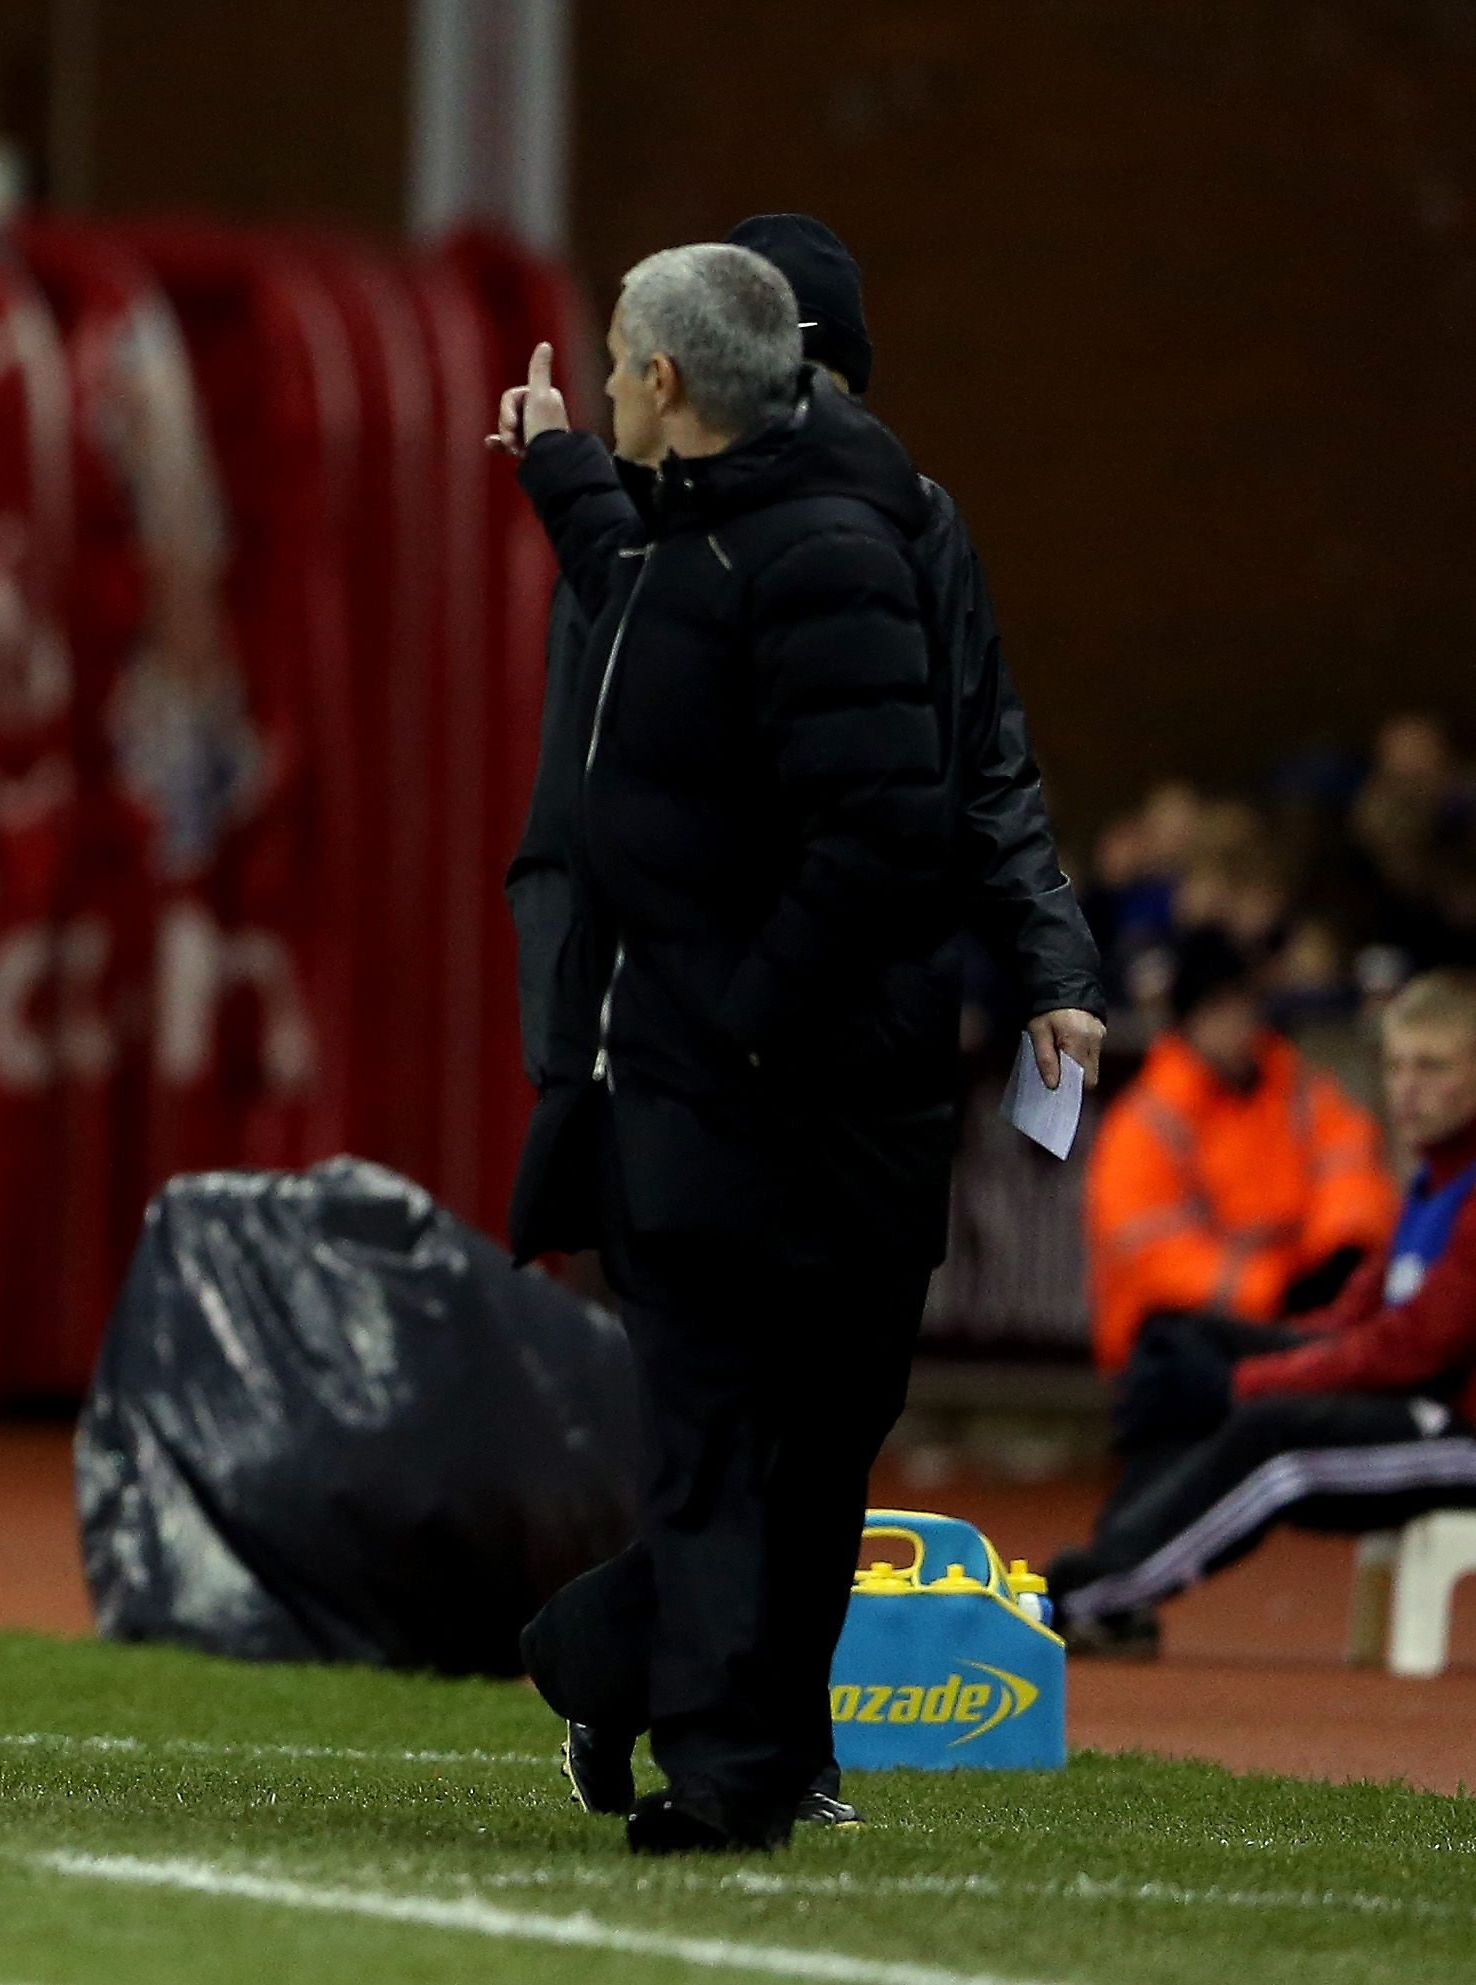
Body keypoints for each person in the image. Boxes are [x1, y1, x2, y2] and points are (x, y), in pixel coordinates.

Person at [487, 243, 955, 1853]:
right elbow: (640, 584)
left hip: (780, 1096)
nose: (612, 380)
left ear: (669, 382)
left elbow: (883, 833)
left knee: (775, 1445)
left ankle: (676, 1718)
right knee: (709, 1443)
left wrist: (743, 1025)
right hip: (693, 1088)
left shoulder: (820, 552)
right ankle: (727, 1767)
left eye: (619, 361)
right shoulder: (723, 535)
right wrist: (558, 464)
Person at [505, 213, 1105, 1115]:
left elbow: (986, 766)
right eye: (793, 385)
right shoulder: (641, 537)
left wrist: (1053, 964)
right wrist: (567, 1049)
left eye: (833, 390)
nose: (812, 417)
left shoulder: (916, 528)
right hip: (684, 1050)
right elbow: (568, 816)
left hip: (857, 1049)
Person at [1050, 969, 1476, 1652]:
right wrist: (1243, 1364)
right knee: (1180, 1344)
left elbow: (1410, 1350)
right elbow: (1353, 1322)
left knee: (1272, 1434)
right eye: (1396, 1066)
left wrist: (1247, 1383)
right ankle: (1115, 1577)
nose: (1407, 1087)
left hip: (1460, 1431)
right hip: (1417, 1399)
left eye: (1432, 1067)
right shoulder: (1434, 1178)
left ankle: (1092, 1591)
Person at [1083, 927, 1396, 1375]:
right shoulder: (1146, 1123)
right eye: (1218, 1010)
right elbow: (1158, 1259)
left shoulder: (1299, 1091)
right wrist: (1276, 1290)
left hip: (1290, 1320)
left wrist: (1340, 1256)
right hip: (1173, 1343)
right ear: (1187, 1020)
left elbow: (1353, 1174)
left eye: (1244, 1006)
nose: (1236, 1025)